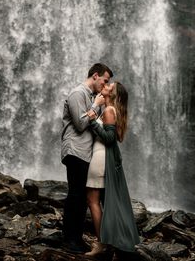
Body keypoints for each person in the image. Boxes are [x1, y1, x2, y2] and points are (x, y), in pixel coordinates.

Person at [61, 63, 113, 253]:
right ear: (96, 76)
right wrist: (96, 106)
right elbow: (81, 124)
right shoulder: (77, 93)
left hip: (85, 153)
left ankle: (77, 238)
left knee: (82, 196)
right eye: (105, 81)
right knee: (76, 194)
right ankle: (69, 239)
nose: (106, 85)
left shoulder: (92, 97)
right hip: (75, 150)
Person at [85, 81, 140, 256]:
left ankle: (102, 243)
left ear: (113, 94)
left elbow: (109, 138)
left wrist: (93, 121)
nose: (106, 85)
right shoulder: (110, 110)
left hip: (101, 158)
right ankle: (108, 240)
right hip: (102, 157)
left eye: (110, 85)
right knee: (101, 201)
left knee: (93, 200)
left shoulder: (109, 111)